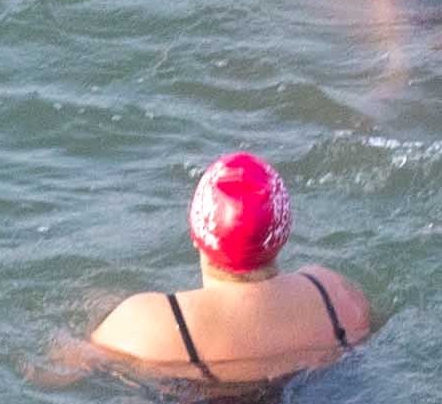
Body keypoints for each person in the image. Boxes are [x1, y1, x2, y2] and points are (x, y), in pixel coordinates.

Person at [69, 155, 375, 391]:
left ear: (195, 230)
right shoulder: (335, 296)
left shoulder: (145, 323)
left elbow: (60, 373)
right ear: (283, 231)